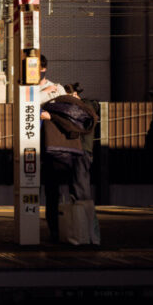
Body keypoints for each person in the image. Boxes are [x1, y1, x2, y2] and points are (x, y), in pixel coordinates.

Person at [41, 83, 98, 243]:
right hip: (74, 152)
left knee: (66, 193)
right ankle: (81, 232)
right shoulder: (83, 109)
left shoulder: (73, 108)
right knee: (77, 193)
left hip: (67, 153)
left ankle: (70, 231)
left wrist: (52, 116)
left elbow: (74, 125)